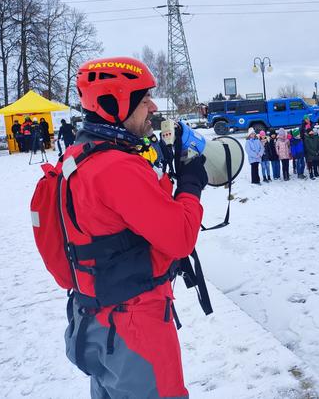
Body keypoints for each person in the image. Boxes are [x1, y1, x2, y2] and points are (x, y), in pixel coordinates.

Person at [60, 56, 208, 398]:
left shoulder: (80, 154)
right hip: (134, 324)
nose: (153, 107)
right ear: (114, 104)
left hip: (94, 316)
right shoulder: (116, 168)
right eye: (144, 100)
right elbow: (181, 238)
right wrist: (191, 183)